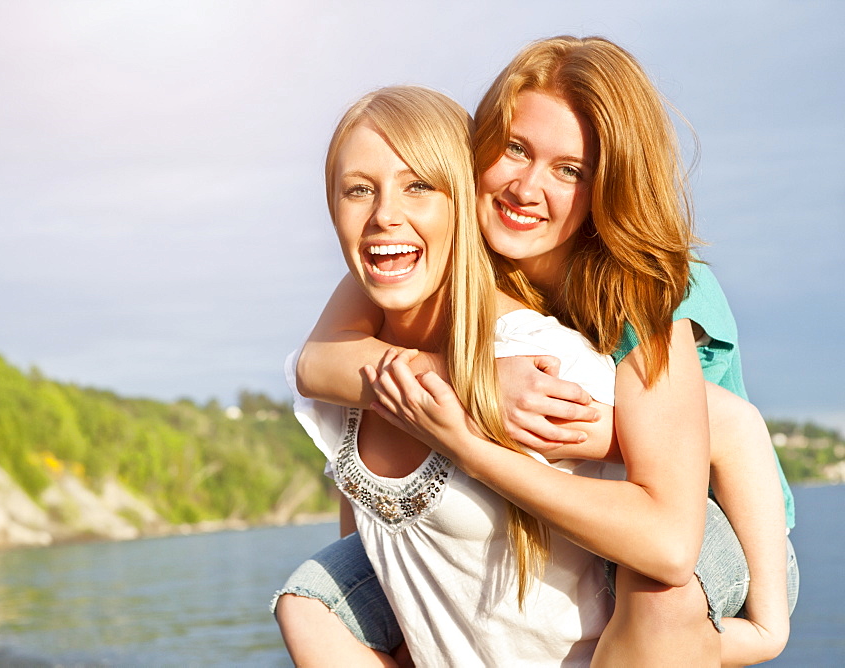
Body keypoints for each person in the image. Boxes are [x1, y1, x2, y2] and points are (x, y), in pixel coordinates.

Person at [277, 36, 797, 667]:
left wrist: (769, 624)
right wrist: (474, 383)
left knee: (657, 589)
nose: (526, 187)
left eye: (569, 169)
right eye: (515, 149)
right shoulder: (436, 247)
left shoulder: (642, 290)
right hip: (590, 495)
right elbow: (318, 365)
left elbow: (730, 437)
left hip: (720, 515)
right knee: (308, 600)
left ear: (606, 185)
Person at [275, 83, 629, 666]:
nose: (384, 214)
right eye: (359, 190)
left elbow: (683, 486)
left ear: (462, 201)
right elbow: (392, 593)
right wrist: (468, 380)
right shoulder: (352, 377)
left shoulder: (537, 360)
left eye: (418, 186)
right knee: (304, 603)